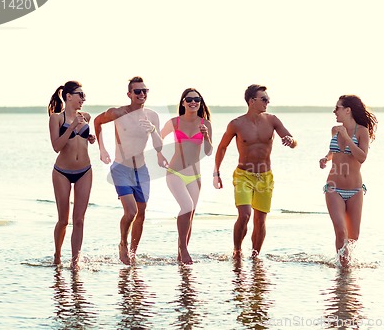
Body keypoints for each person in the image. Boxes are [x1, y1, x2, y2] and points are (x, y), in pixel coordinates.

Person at [213, 84, 297, 258]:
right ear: (252, 101)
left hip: (265, 177)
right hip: (243, 175)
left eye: (268, 99)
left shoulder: (272, 120)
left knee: (260, 220)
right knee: (244, 215)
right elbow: (222, 147)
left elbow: (294, 141)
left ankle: (255, 256)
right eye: (264, 99)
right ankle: (237, 251)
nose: (267, 102)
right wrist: (217, 172)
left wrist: (291, 140)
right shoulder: (236, 124)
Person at [94, 76, 163, 265]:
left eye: (144, 91)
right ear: (129, 94)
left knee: (142, 212)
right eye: (138, 91)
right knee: (131, 211)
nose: (142, 94)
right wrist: (102, 148)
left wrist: (153, 131)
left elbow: (159, 147)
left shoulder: (152, 116)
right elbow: (98, 122)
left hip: (141, 170)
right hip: (121, 168)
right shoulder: (118, 113)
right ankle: (123, 243)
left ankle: (133, 253)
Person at [319, 94, 377, 266]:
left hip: (355, 190)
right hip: (333, 188)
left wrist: (346, 137)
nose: (334, 111)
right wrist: (326, 158)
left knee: (354, 236)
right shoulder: (334, 130)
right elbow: (334, 152)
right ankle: (342, 268)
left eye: (337, 108)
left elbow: (362, 157)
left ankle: (347, 267)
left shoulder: (362, 132)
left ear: (347, 110)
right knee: (340, 230)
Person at [158, 88, 213, 264]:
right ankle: (183, 249)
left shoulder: (206, 124)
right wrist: (159, 154)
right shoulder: (174, 122)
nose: (193, 102)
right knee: (187, 206)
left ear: (200, 102)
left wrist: (206, 137)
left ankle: (181, 256)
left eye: (197, 99)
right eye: (189, 99)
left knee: (190, 214)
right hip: (175, 172)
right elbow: (158, 137)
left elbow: (209, 152)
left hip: (195, 177)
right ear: (183, 102)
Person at [48, 81, 95, 269]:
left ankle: (75, 262)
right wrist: (73, 125)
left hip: (85, 170)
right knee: (63, 220)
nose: (83, 99)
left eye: (84, 96)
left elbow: (82, 140)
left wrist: (89, 138)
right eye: (80, 95)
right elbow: (56, 146)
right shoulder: (56, 118)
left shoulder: (86, 116)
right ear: (68, 96)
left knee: (79, 219)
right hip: (62, 173)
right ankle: (58, 255)